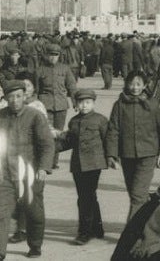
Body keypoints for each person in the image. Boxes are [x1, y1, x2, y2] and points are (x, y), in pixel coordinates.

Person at [0, 80, 55, 259]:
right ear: (5, 98)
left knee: (34, 213)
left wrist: (44, 168)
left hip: (31, 174)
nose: (14, 100)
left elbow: (47, 144)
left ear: (25, 96)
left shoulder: (35, 116)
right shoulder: (1, 116)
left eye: (18, 96)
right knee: (2, 212)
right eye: (11, 96)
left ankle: (35, 245)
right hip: (6, 174)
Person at [106, 70, 160, 220]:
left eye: (138, 84)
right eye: (132, 83)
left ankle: (132, 235)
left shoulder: (152, 105)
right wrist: (112, 155)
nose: (135, 87)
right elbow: (113, 129)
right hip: (127, 154)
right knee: (136, 194)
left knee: (138, 195)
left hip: (148, 154)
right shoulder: (119, 105)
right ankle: (149, 224)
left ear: (145, 85)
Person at [55, 88, 108, 245]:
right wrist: (51, 148)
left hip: (94, 164)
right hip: (78, 164)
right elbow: (69, 141)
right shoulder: (74, 121)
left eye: (88, 102)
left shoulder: (101, 120)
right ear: (76, 104)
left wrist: (112, 157)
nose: (84, 106)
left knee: (85, 197)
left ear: (93, 103)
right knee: (89, 196)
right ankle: (97, 228)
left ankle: (84, 232)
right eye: (81, 103)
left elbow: (108, 140)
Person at [37, 42, 78, 169]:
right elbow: (36, 89)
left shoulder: (65, 69)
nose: (53, 57)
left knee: (58, 134)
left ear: (59, 56)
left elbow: (71, 86)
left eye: (56, 55)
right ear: (46, 55)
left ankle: (54, 161)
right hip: (45, 104)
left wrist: (75, 102)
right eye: (50, 55)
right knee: (47, 134)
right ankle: (46, 162)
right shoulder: (40, 70)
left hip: (61, 105)